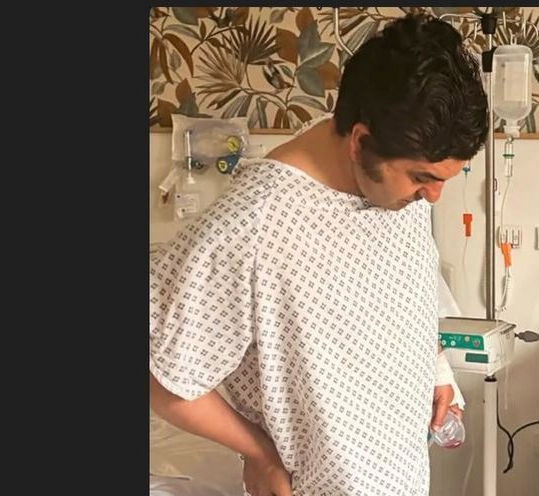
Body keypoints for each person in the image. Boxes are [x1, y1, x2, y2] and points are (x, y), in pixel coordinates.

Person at [149, 13, 488, 496]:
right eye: (422, 178)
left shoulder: (398, 189)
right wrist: (259, 452)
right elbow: (164, 377)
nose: (433, 197)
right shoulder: (253, 224)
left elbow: (406, 297)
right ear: (360, 141)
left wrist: (435, 369)